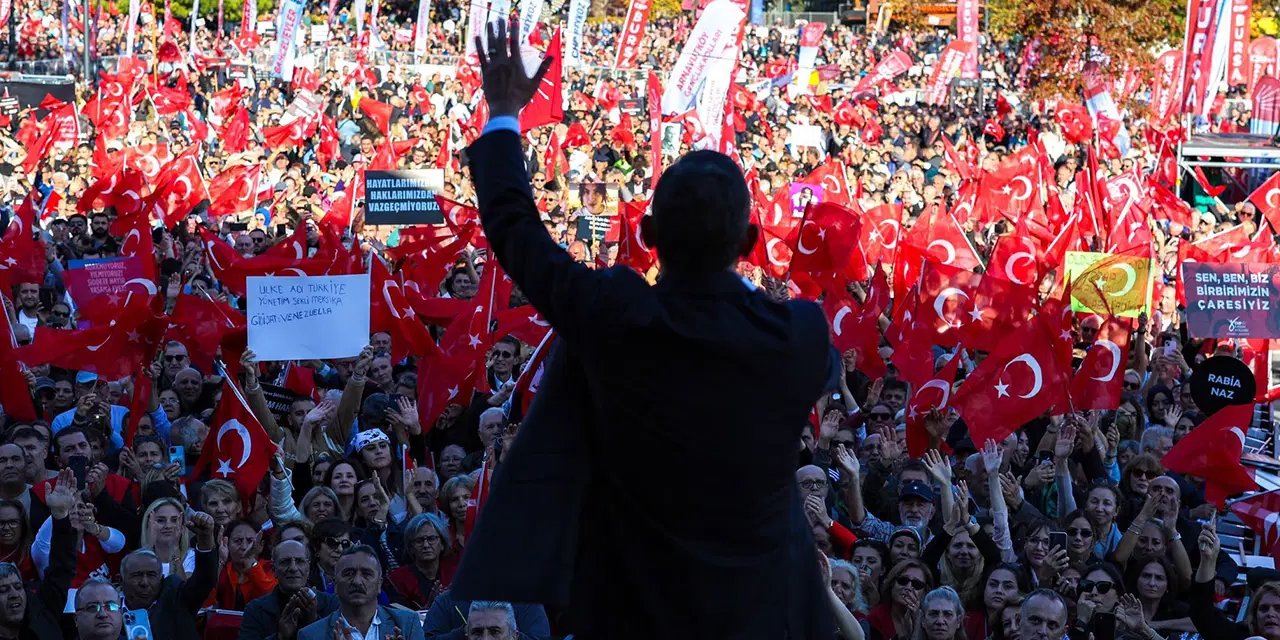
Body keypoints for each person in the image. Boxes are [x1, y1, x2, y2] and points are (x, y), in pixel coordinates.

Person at [452, 19, 836, 638]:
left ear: (648, 238)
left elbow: (517, 233)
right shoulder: (799, 336)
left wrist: (503, 114)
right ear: (751, 241)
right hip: (764, 615)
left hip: (631, 612)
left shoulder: (618, 317)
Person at [118, 509, 217, 638]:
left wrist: (204, 538)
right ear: (121, 580)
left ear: (161, 579)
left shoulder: (176, 600)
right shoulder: (107, 609)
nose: (144, 582)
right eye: (137, 575)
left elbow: (205, 580)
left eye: (151, 575)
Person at [297, 545, 425, 640]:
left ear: (379, 584)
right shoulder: (311, 635)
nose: (357, 581)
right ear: (335, 585)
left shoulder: (408, 624)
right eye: (348, 574)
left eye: (366, 574)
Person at [241, 540, 340, 640]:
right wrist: (280, 637)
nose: (293, 568)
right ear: (274, 569)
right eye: (285, 562)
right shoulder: (255, 610)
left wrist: (314, 622)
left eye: (300, 561)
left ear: (308, 568)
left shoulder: (331, 604)